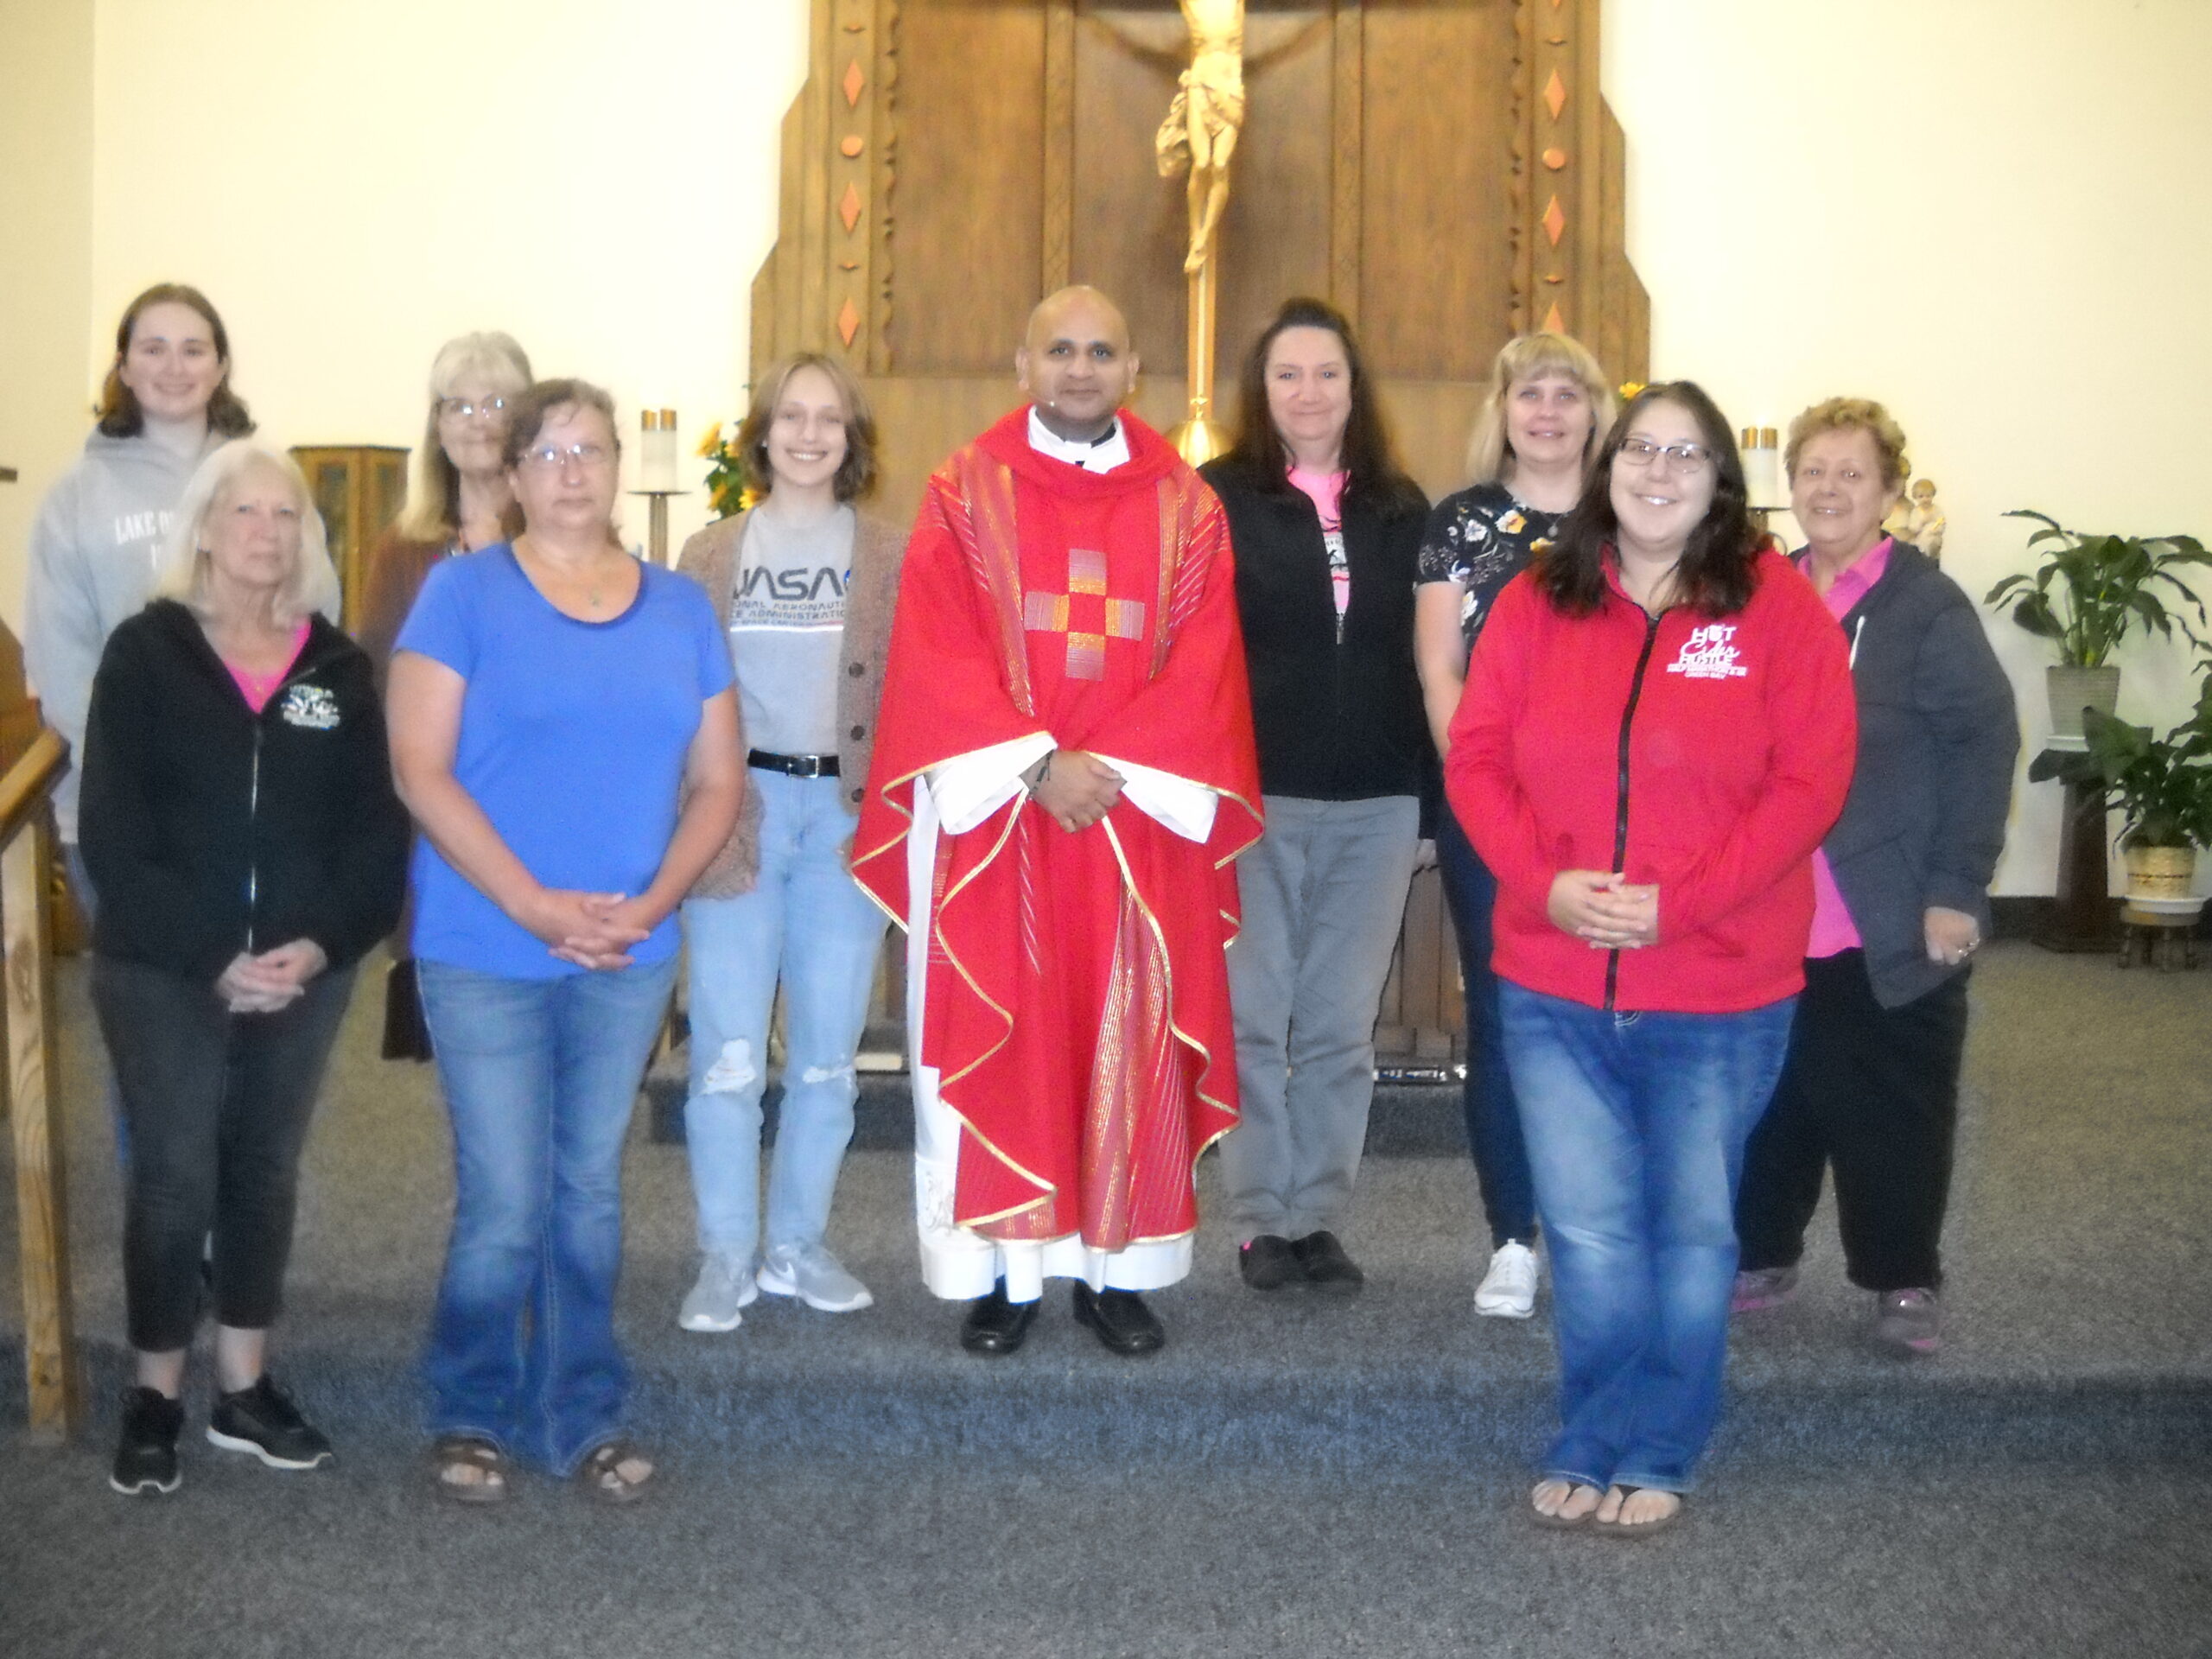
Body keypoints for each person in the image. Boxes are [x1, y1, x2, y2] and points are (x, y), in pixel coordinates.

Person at [1446, 382, 1855, 1535]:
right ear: (1606, 464)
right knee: (1582, 1228)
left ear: (1721, 478)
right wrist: (1549, 885)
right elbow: (1477, 760)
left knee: (1688, 1228)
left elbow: (1809, 785)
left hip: (1718, 987)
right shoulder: (1539, 600)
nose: (1660, 470)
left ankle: (1663, 1441)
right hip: (1554, 981)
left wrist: (1679, 905)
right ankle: (1591, 1428)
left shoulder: (1776, 609)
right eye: (1641, 449)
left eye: (1688, 453)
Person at [853, 285, 1262, 1358]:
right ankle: (1007, 1274)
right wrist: (1036, 763)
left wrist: (1106, 771)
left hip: (1133, 820)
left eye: (1102, 352)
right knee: (1014, 1037)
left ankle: (1115, 1274)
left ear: (1135, 374)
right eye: (1060, 350)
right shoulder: (961, 491)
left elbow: (1206, 662)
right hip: (1004, 822)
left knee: (1120, 1039)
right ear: (1021, 365)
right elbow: (937, 651)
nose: (1080, 369)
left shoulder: (1187, 506)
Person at [386, 378, 743, 1504]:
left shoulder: (681, 610)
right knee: (503, 1193)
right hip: (487, 943)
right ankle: (471, 1406)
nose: (575, 470)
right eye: (549, 453)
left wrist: (649, 907)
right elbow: (421, 772)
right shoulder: (462, 596)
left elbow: (718, 781)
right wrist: (538, 906)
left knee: (587, 1187)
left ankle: (578, 1410)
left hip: (628, 951)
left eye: (591, 449)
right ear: (512, 472)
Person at [85, 442, 407, 1496]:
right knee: (175, 1177)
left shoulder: (338, 668)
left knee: (265, 1170)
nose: (267, 532)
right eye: (246, 512)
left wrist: (318, 943)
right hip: (165, 966)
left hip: (303, 971)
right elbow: (113, 833)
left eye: (287, 516)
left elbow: (374, 836)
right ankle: (153, 1394)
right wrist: (214, 955)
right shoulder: (146, 653)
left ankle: (244, 1388)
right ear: (205, 528)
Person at [1732, 398, 2015, 1357]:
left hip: (1884, 911)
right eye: (1813, 471)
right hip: (1769, 907)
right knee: (1772, 1094)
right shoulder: (1759, 594)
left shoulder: (1922, 607)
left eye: (1852, 474)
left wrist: (1955, 889)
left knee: (1892, 1103)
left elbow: (1984, 744)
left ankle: (1902, 1278)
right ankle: (1757, 1254)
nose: (1829, 489)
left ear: (1889, 491)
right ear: (1789, 484)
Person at [1198, 297, 1428, 1295]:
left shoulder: (1401, 509)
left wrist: (1424, 792)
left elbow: (1434, 662)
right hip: (1255, 800)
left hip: (1376, 803)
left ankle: (1318, 1215)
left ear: (1353, 386)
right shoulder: (1212, 500)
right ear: (1262, 391)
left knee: (1338, 1024)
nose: (1306, 392)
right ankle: (1258, 1220)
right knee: (1253, 1019)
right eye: (1286, 374)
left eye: (1325, 373)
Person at [672, 353, 903, 1332]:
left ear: (852, 439)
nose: (809, 434)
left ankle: (795, 1244)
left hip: (844, 824)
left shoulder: (893, 555)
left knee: (823, 1058)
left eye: (830, 419)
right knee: (726, 1054)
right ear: (761, 432)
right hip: (738, 814)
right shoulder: (709, 553)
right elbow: (678, 697)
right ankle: (725, 1254)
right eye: (792, 416)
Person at [1414, 331, 1617, 1319]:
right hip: (1491, 818)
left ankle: (1599, 1233)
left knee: (1609, 1013)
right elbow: (1438, 674)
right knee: (1503, 1022)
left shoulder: (1633, 517)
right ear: (1502, 409)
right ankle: (1512, 1238)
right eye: (1529, 393)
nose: (1547, 412)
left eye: (1566, 395)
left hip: (1619, 821)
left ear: (1594, 413)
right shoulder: (1459, 523)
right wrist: (1491, 798)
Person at [27, 283, 255, 929]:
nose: (174, 368)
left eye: (193, 349)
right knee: (146, 1007)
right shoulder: (74, 496)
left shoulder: (264, 478)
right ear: (124, 366)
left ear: (222, 366)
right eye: (153, 349)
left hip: (246, 793)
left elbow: (309, 615)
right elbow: (60, 656)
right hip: (117, 798)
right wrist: (142, 767)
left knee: (254, 998)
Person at [357, 332, 534, 1061]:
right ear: (435, 425)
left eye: (495, 401)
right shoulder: (404, 548)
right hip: (436, 805)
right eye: (456, 405)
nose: (477, 419)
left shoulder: (561, 535)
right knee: (461, 1024)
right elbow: (375, 674)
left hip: (534, 794)